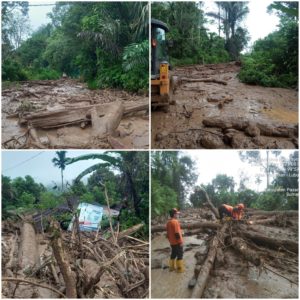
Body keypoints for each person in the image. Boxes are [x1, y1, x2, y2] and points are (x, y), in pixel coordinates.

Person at [166, 208, 184, 273]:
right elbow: (176, 233)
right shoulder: (175, 222)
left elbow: (167, 234)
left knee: (173, 254)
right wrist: (180, 242)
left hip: (172, 242)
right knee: (180, 255)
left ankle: (171, 268)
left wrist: (170, 241)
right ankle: (180, 270)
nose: (178, 215)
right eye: (177, 214)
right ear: (174, 215)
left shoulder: (168, 223)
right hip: (177, 242)